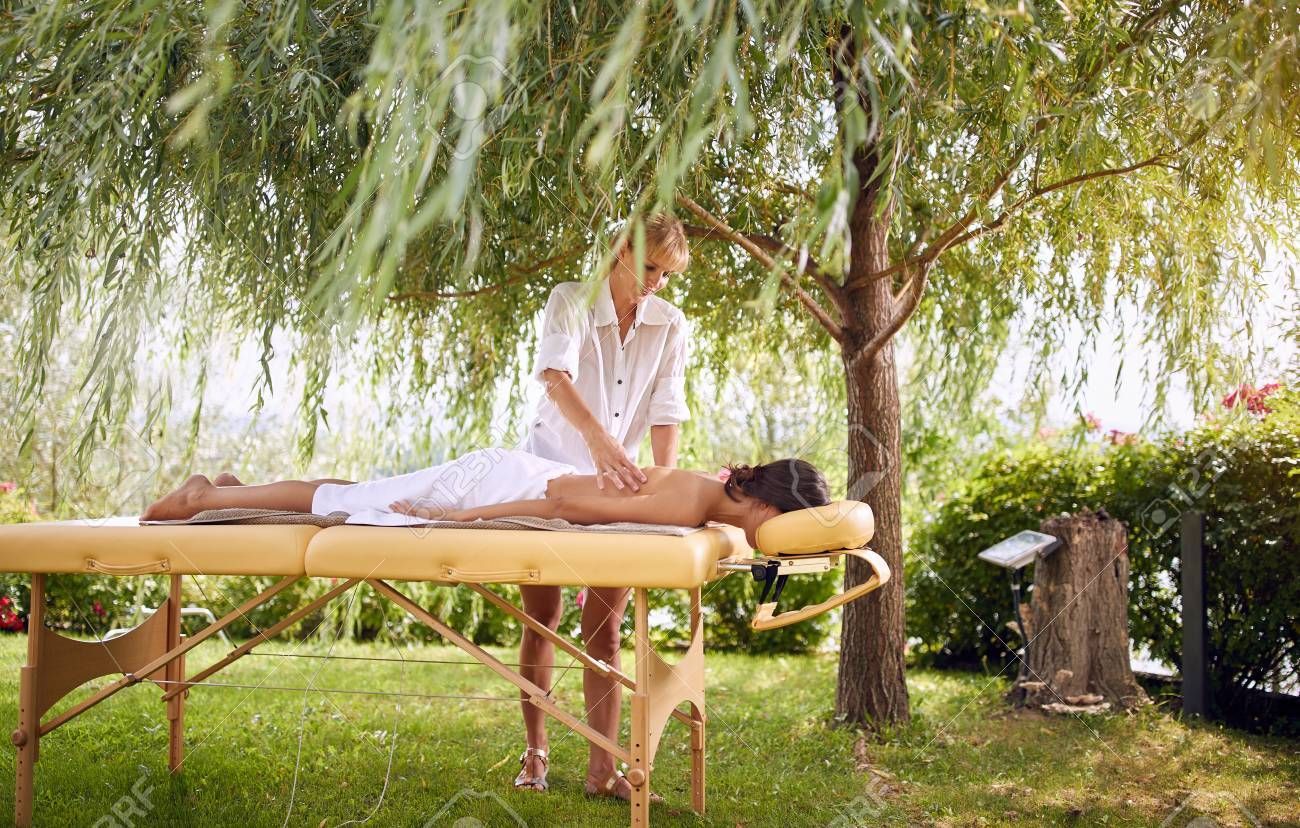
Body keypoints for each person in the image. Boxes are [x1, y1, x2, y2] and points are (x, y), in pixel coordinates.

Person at [514, 213, 692, 800]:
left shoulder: (670, 324)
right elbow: (555, 375)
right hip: (550, 473)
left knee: (606, 633)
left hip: (620, 487)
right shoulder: (569, 300)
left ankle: (603, 770)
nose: (655, 284)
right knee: (542, 620)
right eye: (648, 267)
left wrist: (664, 485)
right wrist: (596, 440)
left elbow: (666, 409)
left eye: (666, 274)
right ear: (619, 251)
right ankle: (536, 753)